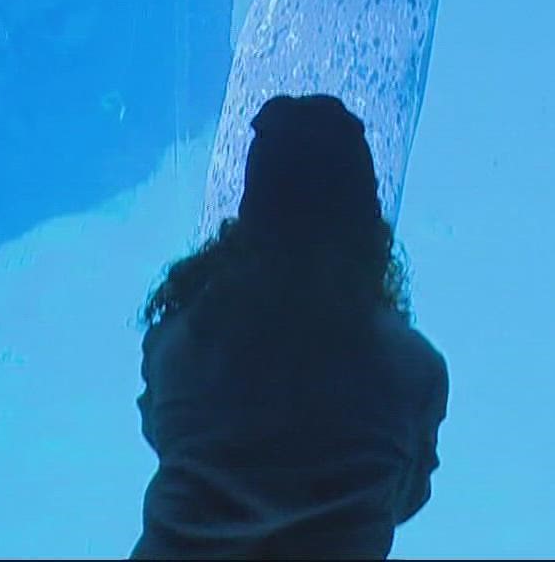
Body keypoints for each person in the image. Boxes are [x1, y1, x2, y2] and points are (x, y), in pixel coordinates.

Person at [132, 93, 449, 561]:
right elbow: (405, 498)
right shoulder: (414, 369)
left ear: (248, 219)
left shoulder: (176, 346)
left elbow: (163, 438)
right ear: (366, 227)